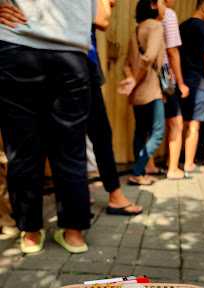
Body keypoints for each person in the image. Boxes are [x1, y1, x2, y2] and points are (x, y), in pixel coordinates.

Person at [0, 1, 95, 254]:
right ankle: (74, 234)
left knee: (22, 149)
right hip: (70, 51)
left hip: (18, 44)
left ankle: (30, 232)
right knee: (71, 148)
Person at [87, 0, 143, 215]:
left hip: (67, 62)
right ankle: (115, 196)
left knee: (73, 136)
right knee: (100, 133)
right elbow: (102, 19)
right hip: (80, 64)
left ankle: (80, 195)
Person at [119, 0, 165, 186]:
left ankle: (142, 170)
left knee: (141, 132)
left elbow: (125, 65)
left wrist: (131, 80)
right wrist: (136, 79)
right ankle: (138, 172)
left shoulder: (136, 30)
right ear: (153, 6)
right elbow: (150, 57)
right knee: (158, 131)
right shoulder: (155, 26)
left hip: (137, 94)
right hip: (151, 89)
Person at [179, 0, 204, 177]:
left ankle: (173, 161)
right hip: (199, 82)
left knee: (178, 124)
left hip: (182, 81)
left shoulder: (182, 26)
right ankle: (188, 164)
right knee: (193, 125)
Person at [160, 0, 189, 180]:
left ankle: (147, 166)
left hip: (147, 75)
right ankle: (172, 168)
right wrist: (180, 82)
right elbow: (172, 52)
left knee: (150, 123)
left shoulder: (145, 12)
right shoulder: (168, 14)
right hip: (163, 75)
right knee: (176, 121)